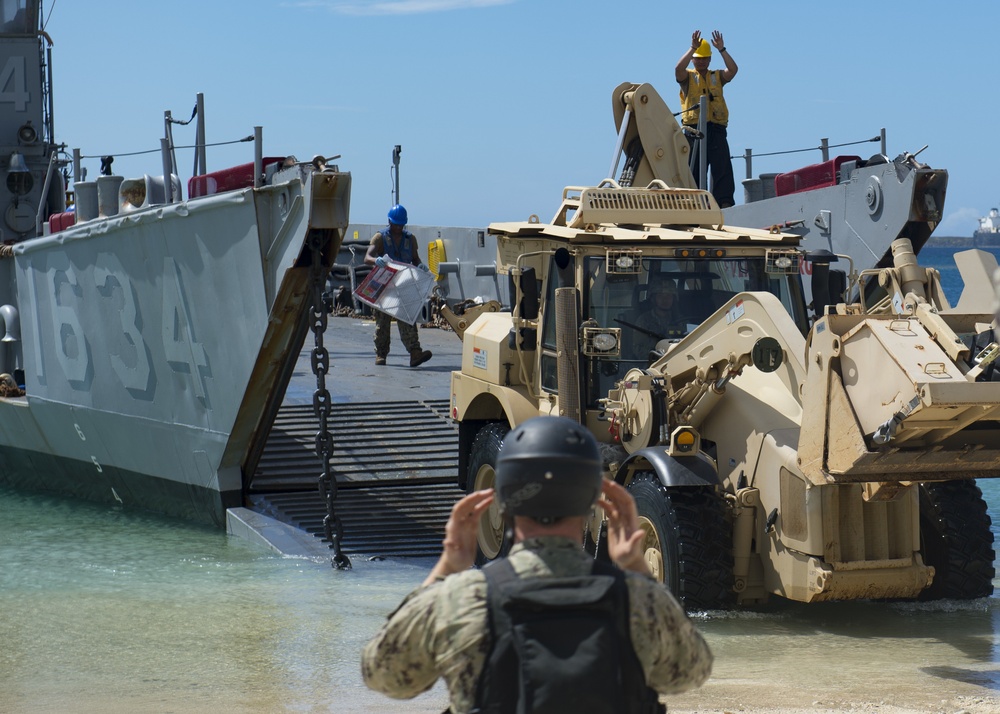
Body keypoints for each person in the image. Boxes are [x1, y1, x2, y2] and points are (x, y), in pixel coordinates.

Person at [362, 416, 713, 714]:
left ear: (502, 498)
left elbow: (383, 674)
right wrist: (636, 568)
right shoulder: (639, 600)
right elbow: (690, 673)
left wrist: (447, 567)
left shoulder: (461, 599)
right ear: (594, 496)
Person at [364, 203, 432, 367]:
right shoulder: (380, 238)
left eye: (400, 225)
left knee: (408, 319)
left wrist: (421, 266)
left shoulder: (410, 239)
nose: (397, 228)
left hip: (404, 285)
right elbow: (367, 258)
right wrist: (376, 261)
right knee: (382, 323)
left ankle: (415, 353)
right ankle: (381, 355)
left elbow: (415, 260)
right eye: (395, 224)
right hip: (385, 286)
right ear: (389, 221)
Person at [675, 29, 738, 208]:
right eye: (698, 58)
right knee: (693, 169)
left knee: (722, 167)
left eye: (704, 58)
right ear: (693, 59)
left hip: (715, 129)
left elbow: (733, 70)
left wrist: (722, 49)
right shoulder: (687, 76)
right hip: (693, 131)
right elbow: (677, 69)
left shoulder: (716, 76)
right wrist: (691, 48)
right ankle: (694, 205)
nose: (701, 61)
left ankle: (724, 204)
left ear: (709, 59)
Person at [632, 277, 685, 358]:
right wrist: (657, 355)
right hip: (651, 364)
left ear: (674, 299)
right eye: (660, 296)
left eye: (669, 296)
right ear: (653, 299)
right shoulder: (644, 321)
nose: (665, 300)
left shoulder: (681, 320)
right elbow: (638, 349)